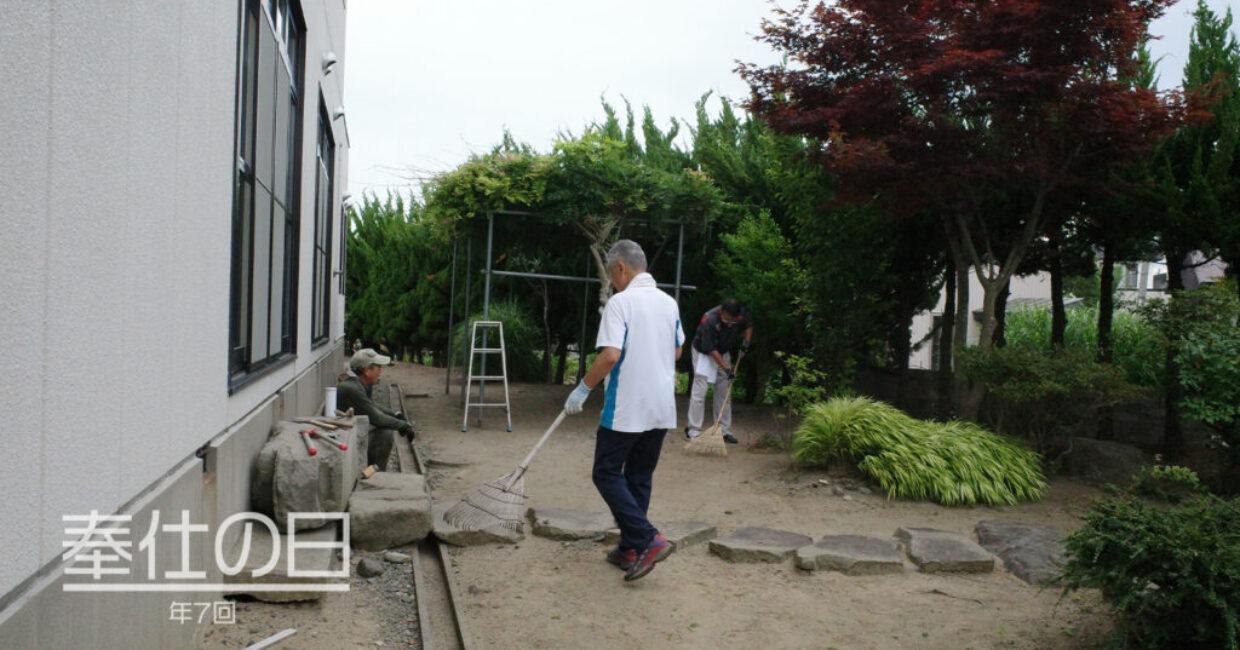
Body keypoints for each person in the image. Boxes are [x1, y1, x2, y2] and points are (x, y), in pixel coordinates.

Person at [563, 239, 684, 582]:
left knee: (605, 472)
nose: (613, 283)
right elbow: (676, 352)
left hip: (627, 406)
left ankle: (648, 538)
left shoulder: (621, 303)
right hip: (660, 405)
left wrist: (584, 387)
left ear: (621, 267)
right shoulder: (668, 303)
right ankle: (632, 547)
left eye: (613, 275)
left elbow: (611, 355)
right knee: (639, 477)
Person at [685, 298, 753, 445]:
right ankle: (693, 430)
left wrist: (746, 343)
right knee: (700, 392)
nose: (730, 323)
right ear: (723, 312)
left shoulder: (740, 314)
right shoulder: (710, 320)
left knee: (725, 393)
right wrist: (728, 370)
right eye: (727, 320)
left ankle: (723, 430)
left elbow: (748, 326)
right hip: (705, 352)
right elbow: (711, 350)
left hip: (723, 351)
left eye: (732, 321)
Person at [336, 348, 414, 471]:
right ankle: (374, 473)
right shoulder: (353, 389)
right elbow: (377, 418)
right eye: (379, 368)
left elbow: (371, 405)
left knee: (384, 430)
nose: (380, 372)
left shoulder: (354, 385)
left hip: (348, 433)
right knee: (385, 434)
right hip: (343, 439)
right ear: (367, 370)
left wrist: (395, 414)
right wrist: (403, 426)